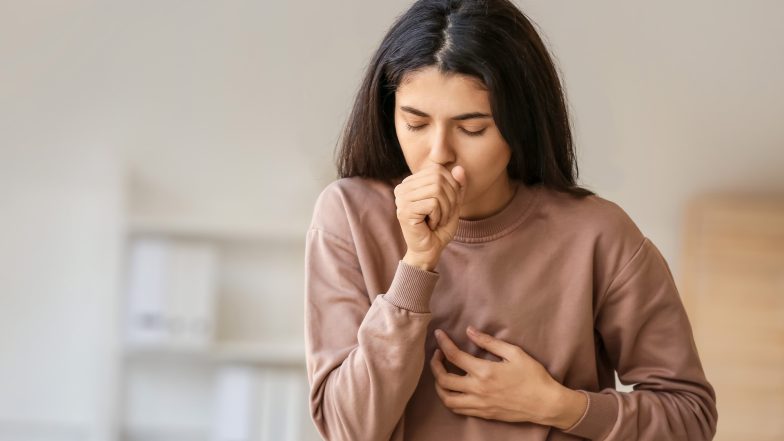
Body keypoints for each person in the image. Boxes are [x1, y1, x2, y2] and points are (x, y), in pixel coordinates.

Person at [303, 0, 718, 440]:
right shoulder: (348, 216)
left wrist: (558, 406)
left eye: (472, 129)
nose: (439, 153)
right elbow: (348, 428)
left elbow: (690, 417)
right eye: (416, 123)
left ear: (519, 124)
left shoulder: (599, 235)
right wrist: (417, 265)